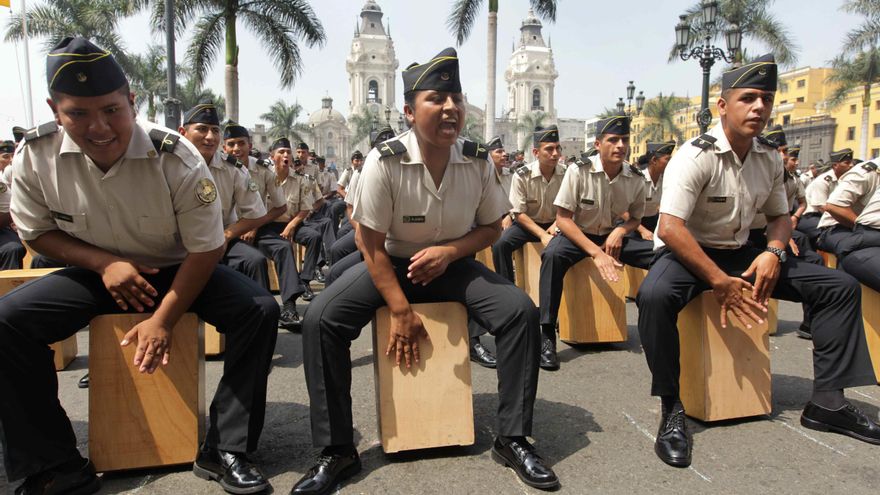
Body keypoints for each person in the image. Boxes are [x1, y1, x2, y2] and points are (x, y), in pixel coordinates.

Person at [0, 37, 279, 495]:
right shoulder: (37, 154)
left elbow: (207, 248)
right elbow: (35, 232)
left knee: (258, 310)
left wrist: (163, 319)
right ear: (55, 110)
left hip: (177, 266)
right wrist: (105, 263)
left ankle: (227, 448)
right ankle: (55, 464)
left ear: (131, 101)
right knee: (7, 322)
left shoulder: (177, 157)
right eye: (79, 114)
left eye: (112, 110)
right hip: (96, 271)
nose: (99, 127)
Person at [292, 47, 559, 495]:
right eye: (437, 98)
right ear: (410, 112)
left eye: (455, 97)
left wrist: (450, 251)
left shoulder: (475, 160)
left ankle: (513, 438)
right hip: (389, 263)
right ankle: (337, 449)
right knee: (322, 320)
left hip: (452, 263)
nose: (450, 107)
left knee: (519, 312)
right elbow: (368, 243)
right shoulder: (384, 160)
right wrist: (398, 308)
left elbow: (492, 227)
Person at [635, 54, 879, 470]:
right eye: (748, 98)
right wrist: (717, 281)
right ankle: (671, 407)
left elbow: (780, 217)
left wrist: (775, 251)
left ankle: (828, 403)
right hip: (689, 250)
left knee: (837, 287)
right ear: (722, 106)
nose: (759, 108)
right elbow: (671, 228)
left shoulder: (767, 156)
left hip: (744, 251)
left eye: (766, 98)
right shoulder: (696, 156)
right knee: (653, 296)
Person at [538, 114, 654, 370]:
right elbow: (564, 219)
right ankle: (546, 333)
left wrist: (622, 230)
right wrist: (596, 253)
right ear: (599, 144)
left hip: (614, 236)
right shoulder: (578, 170)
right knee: (552, 256)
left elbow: (635, 218)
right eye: (613, 140)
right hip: (578, 235)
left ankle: (657, 324)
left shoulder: (634, 177)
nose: (620, 146)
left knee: (662, 255)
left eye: (624, 140)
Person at [179, 105, 275, 296]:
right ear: (183, 132)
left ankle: (259, 315)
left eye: (215, 130)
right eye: (202, 129)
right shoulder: (166, 163)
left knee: (254, 261)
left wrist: (226, 236)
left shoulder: (233, 168)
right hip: (178, 243)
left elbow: (256, 214)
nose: (210, 136)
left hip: (222, 236)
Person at [224, 121, 306, 329]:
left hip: (257, 228)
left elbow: (280, 207)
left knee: (283, 247)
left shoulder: (262, 170)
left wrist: (254, 226)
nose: (236, 149)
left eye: (241, 143)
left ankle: (288, 307)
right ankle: (262, 313)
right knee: (255, 261)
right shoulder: (217, 168)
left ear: (249, 145)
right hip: (225, 231)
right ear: (224, 147)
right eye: (231, 144)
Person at [264, 140, 326, 301]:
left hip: (293, 222)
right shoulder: (264, 176)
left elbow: (305, 208)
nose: (286, 155)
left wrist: (291, 226)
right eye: (281, 152)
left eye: (288, 152)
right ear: (272, 156)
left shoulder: (300, 179)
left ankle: (305, 280)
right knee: (283, 247)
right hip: (267, 225)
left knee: (314, 236)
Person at [816, 158, 880, 260]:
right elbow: (834, 206)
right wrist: (864, 228)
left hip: (867, 231)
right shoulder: (867, 172)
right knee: (855, 252)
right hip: (835, 227)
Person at [798, 149, 854, 248]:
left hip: (831, 216)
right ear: (835, 165)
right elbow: (822, 208)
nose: (851, 165)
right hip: (811, 216)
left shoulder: (847, 180)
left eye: (851, 162)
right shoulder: (822, 181)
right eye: (847, 163)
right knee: (838, 236)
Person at [631, 141, 675, 241]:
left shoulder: (665, 180)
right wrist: (642, 231)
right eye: (667, 159)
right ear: (654, 160)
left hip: (653, 222)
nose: (670, 163)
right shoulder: (637, 179)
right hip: (633, 225)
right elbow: (623, 211)